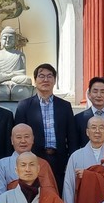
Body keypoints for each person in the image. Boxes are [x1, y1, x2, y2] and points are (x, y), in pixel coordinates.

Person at [14, 63, 78, 194]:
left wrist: (72, 160)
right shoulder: (24, 106)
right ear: (35, 80)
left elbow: (72, 136)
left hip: (59, 159)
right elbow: (18, 136)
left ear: (54, 80)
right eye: (41, 76)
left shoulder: (65, 106)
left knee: (58, 194)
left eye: (49, 76)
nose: (45, 80)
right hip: (33, 159)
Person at [0, 123, 58, 203]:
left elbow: (50, 194)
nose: (23, 141)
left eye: (27, 137)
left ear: (33, 139)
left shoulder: (42, 164)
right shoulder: (2, 164)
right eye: (18, 137)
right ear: (12, 140)